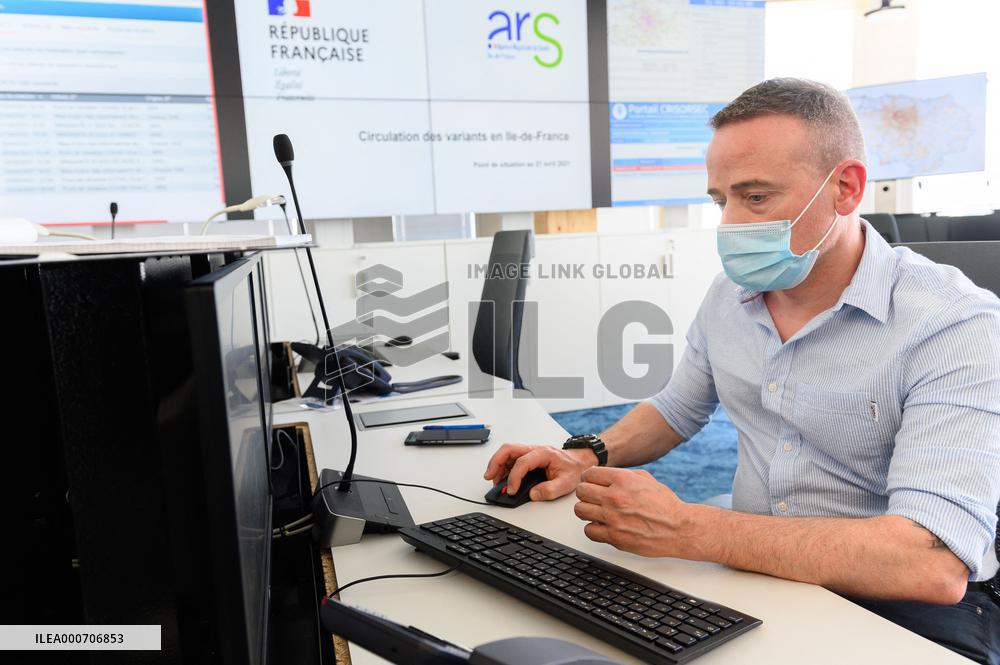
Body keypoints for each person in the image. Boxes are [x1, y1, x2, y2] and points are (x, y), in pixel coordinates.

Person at [484, 78, 1000, 664]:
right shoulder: (731, 293)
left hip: (902, 607)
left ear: (846, 189)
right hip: (757, 572)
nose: (728, 225)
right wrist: (586, 453)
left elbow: (930, 565)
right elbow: (677, 408)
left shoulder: (955, 322)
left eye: (755, 198)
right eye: (719, 200)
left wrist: (686, 529)